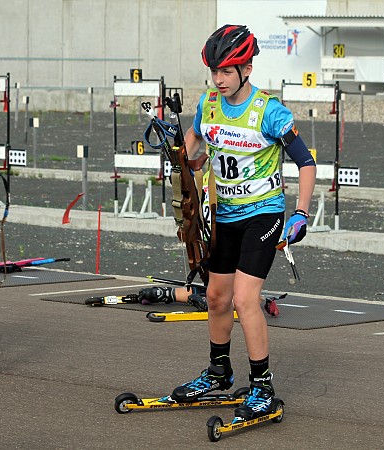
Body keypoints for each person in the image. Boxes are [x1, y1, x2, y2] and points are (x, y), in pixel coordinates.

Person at [167, 25, 316, 422]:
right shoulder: (209, 104)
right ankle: (218, 373)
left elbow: (306, 163)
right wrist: (181, 156)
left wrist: (301, 213)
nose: (218, 79)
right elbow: (193, 148)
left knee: (244, 298)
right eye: (214, 71)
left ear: (247, 68)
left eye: (227, 71)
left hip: (263, 215)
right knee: (216, 297)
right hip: (225, 215)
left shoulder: (269, 111)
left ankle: (262, 386)